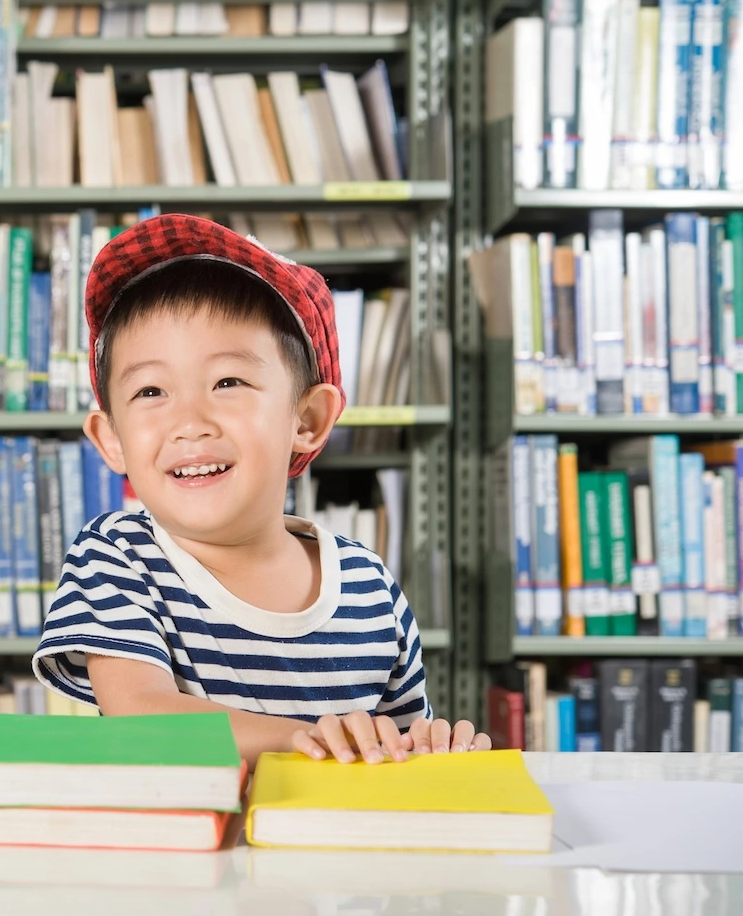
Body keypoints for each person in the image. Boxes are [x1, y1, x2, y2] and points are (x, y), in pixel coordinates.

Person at [33, 213, 490, 767]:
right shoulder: (117, 558)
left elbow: (393, 756)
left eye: (228, 382)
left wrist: (429, 749)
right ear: (112, 441)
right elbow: (143, 716)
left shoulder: (370, 590)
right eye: (151, 390)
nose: (190, 420)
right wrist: (317, 738)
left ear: (307, 419)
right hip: (185, 853)